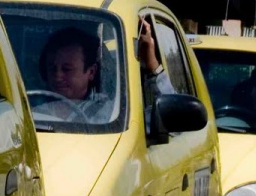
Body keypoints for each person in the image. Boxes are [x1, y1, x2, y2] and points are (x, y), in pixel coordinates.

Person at [35, 16, 172, 124]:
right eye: (52, 68)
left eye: (67, 69)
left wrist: (153, 65)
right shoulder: (30, 112)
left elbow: (172, 119)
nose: (58, 76)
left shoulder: (113, 114)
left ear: (91, 72)